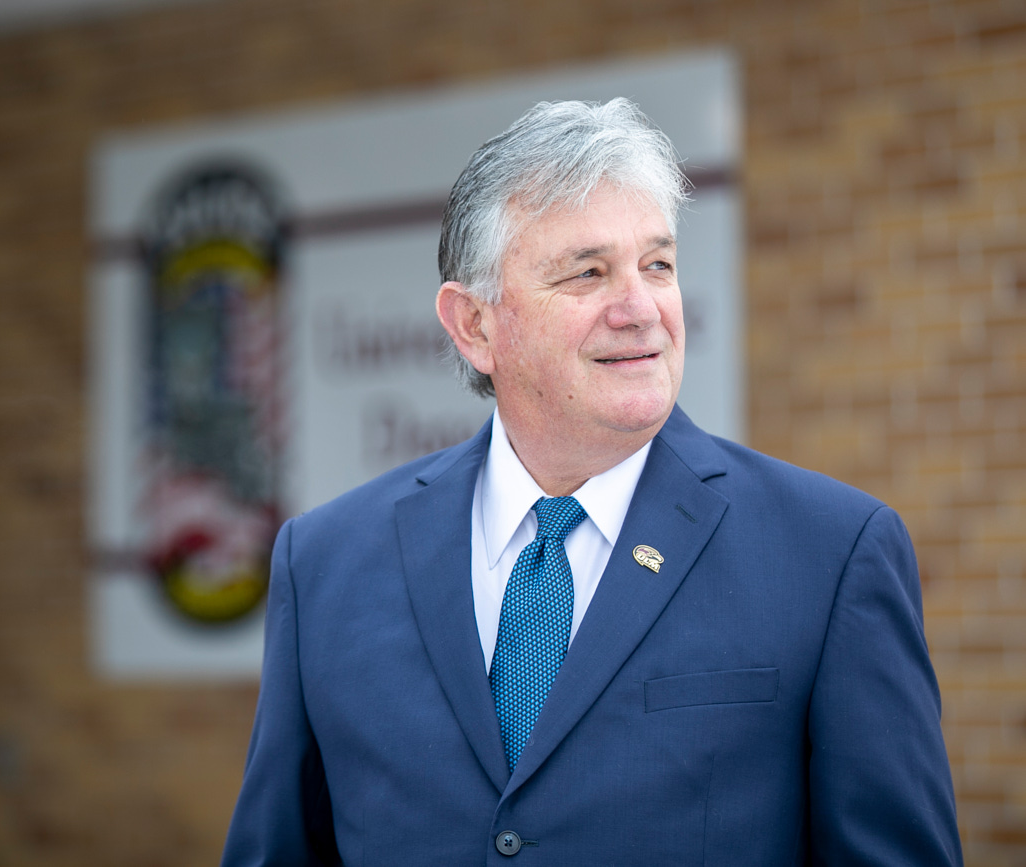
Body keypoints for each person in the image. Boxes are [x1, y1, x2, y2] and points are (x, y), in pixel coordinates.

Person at [221, 98, 962, 865]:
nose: (641, 310)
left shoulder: (831, 553)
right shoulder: (324, 563)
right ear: (475, 325)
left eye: (658, 265)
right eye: (588, 272)